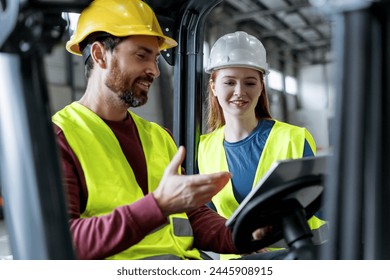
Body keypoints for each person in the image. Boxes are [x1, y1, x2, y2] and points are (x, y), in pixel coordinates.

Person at [52, 0, 285, 260]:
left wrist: (242, 235)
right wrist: (157, 206)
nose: (153, 70)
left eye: (155, 58)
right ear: (99, 55)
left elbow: (194, 216)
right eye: (141, 55)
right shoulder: (62, 137)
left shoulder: (158, 136)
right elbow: (62, 240)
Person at [197, 31, 328, 259]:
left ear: (260, 87)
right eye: (229, 82)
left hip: (298, 259)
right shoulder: (202, 148)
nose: (240, 92)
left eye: (249, 82)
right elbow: (207, 219)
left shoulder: (294, 138)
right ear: (214, 86)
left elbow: (324, 205)